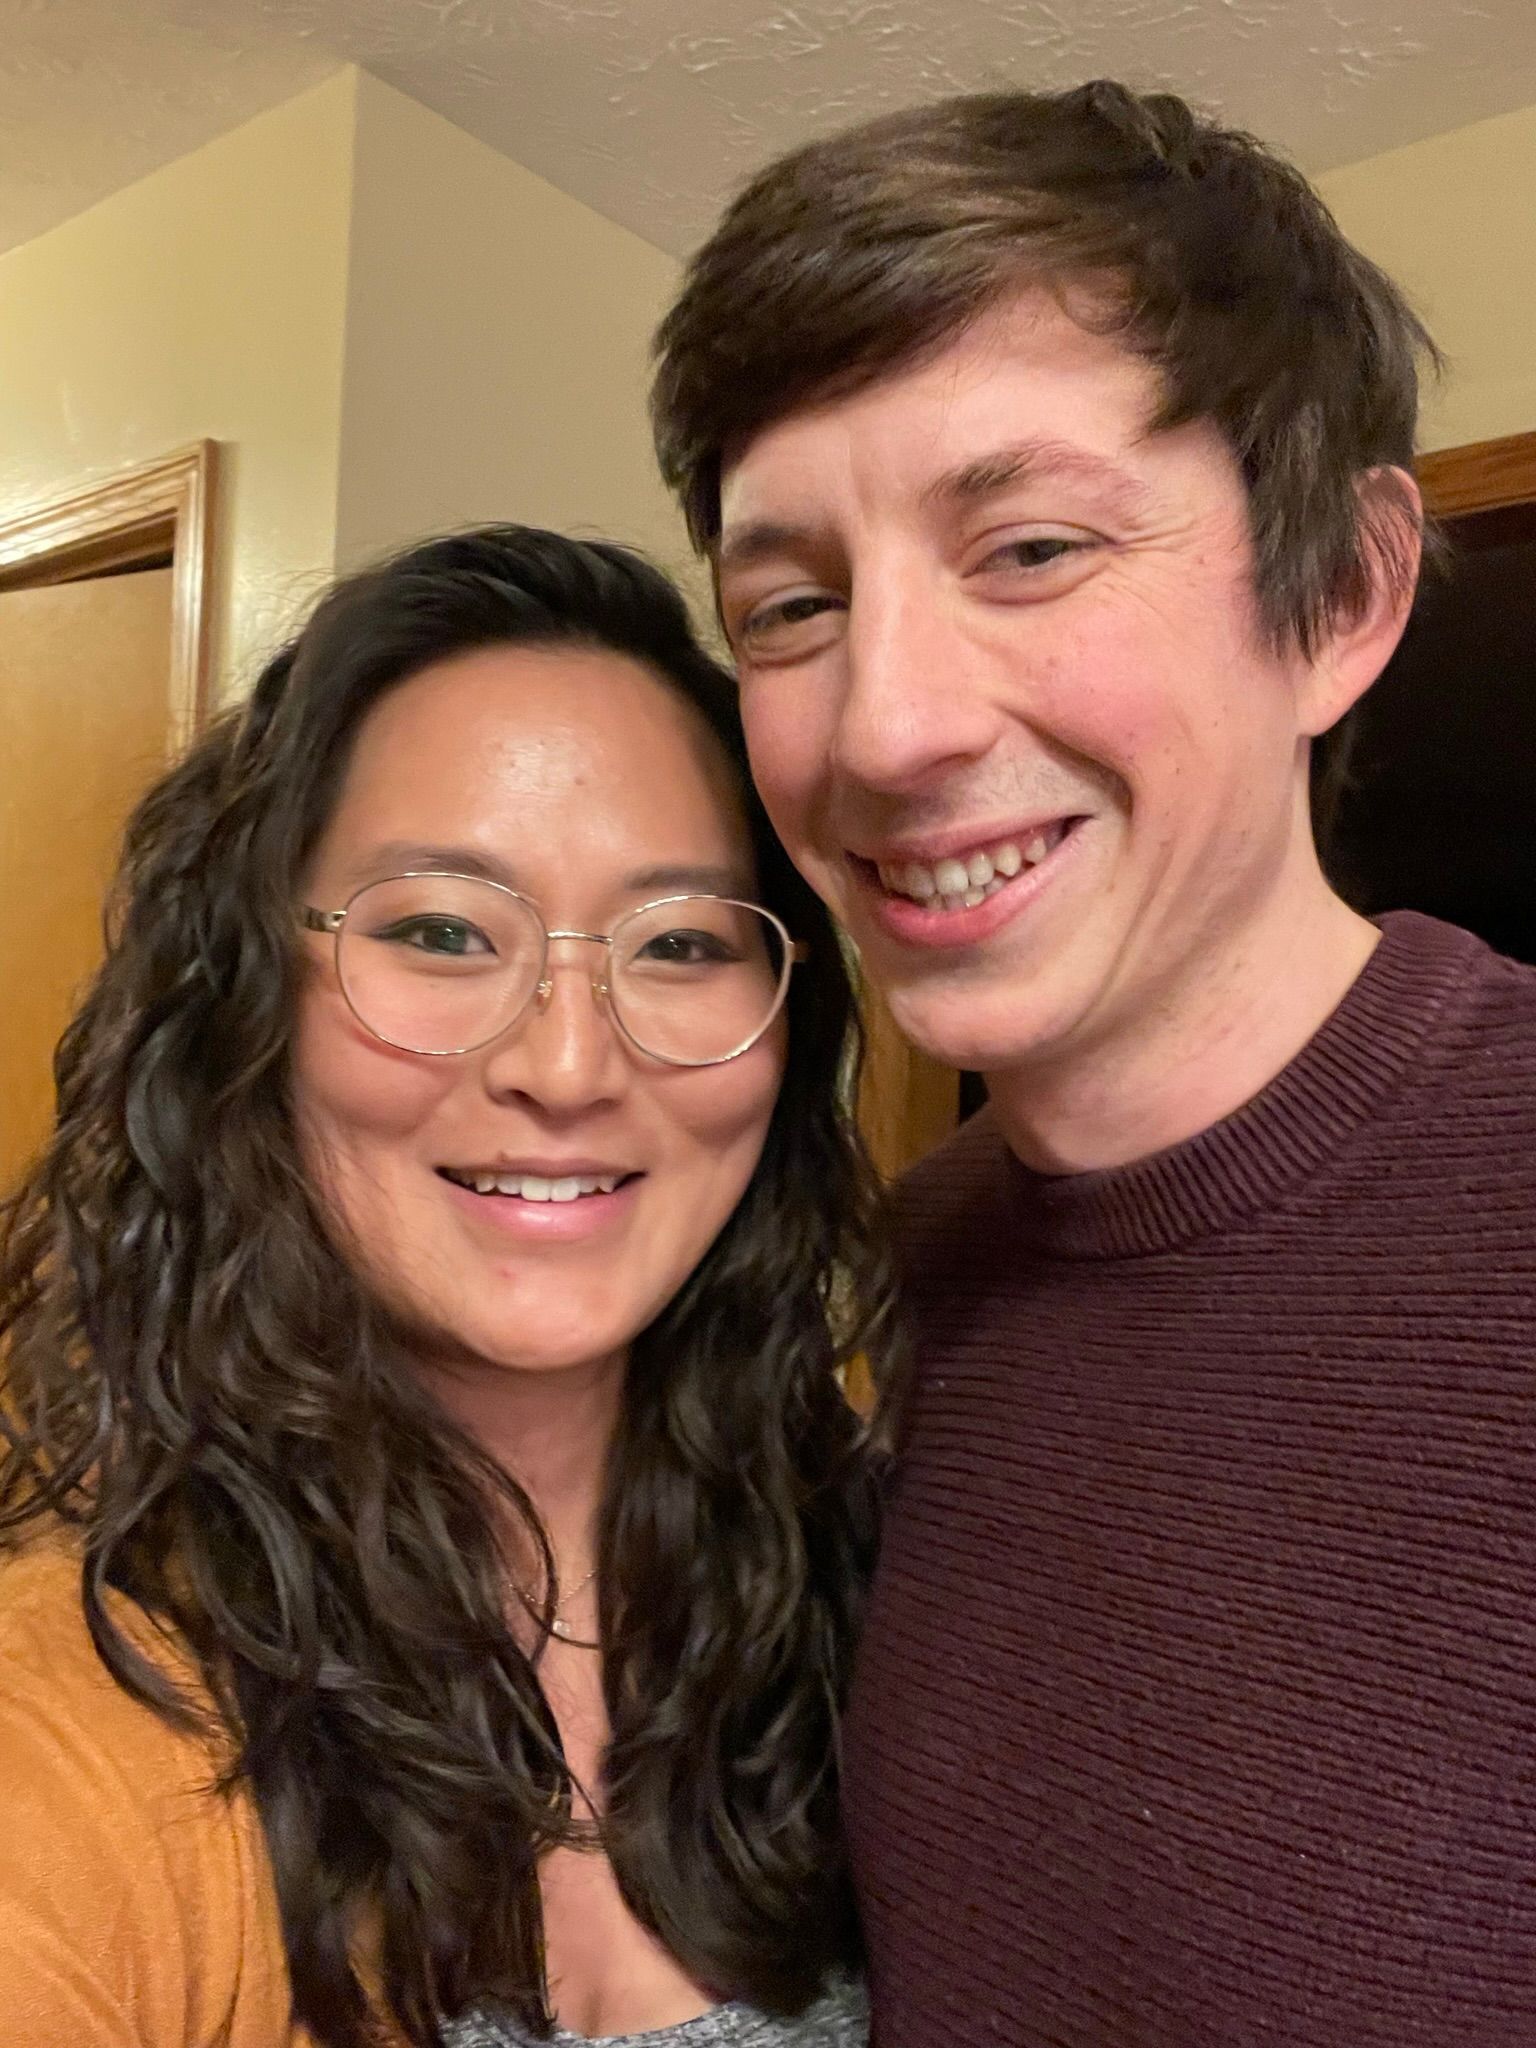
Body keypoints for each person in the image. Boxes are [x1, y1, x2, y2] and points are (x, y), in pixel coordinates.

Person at [651, 79, 1536, 2048]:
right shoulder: (887, 1279)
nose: (882, 723)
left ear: (1345, 597)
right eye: (790, 606)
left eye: (1031, 548)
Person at [0, 526, 887, 2048]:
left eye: (678, 943)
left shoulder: (887, 1604)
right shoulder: (70, 1756)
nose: (565, 1065)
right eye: (437, 930)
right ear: (250, 1003)